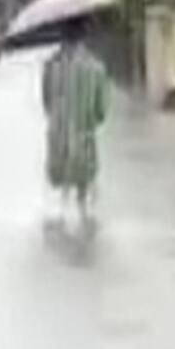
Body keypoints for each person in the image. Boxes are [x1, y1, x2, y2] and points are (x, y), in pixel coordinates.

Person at [40, 22, 110, 221]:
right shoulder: (96, 67)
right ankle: (83, 218)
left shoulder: (50, 65)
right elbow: (101, 111)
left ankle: (62, 220)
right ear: (84, 36)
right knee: (84, 191)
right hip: (84, 138)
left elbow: (46, 102)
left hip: (58, 137)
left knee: (59, 196)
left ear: (61, 36)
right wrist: (89, 120)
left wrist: (58, 119)